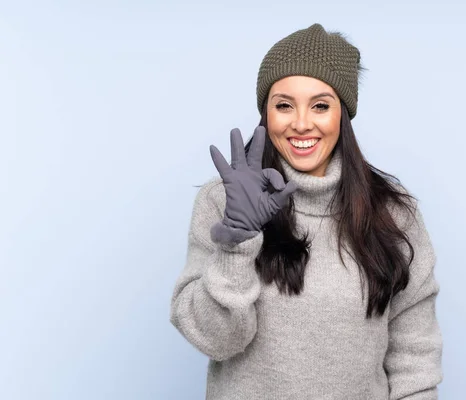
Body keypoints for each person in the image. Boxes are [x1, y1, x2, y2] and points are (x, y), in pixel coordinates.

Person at [169, 23, 443, 399]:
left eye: (320, 105)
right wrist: (238, 242)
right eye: (284, 105)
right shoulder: (223, 203)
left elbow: (415, 361)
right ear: (266, 112)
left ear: (342, 115)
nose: (301, 123)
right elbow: (217, 341)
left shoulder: (392, 213)